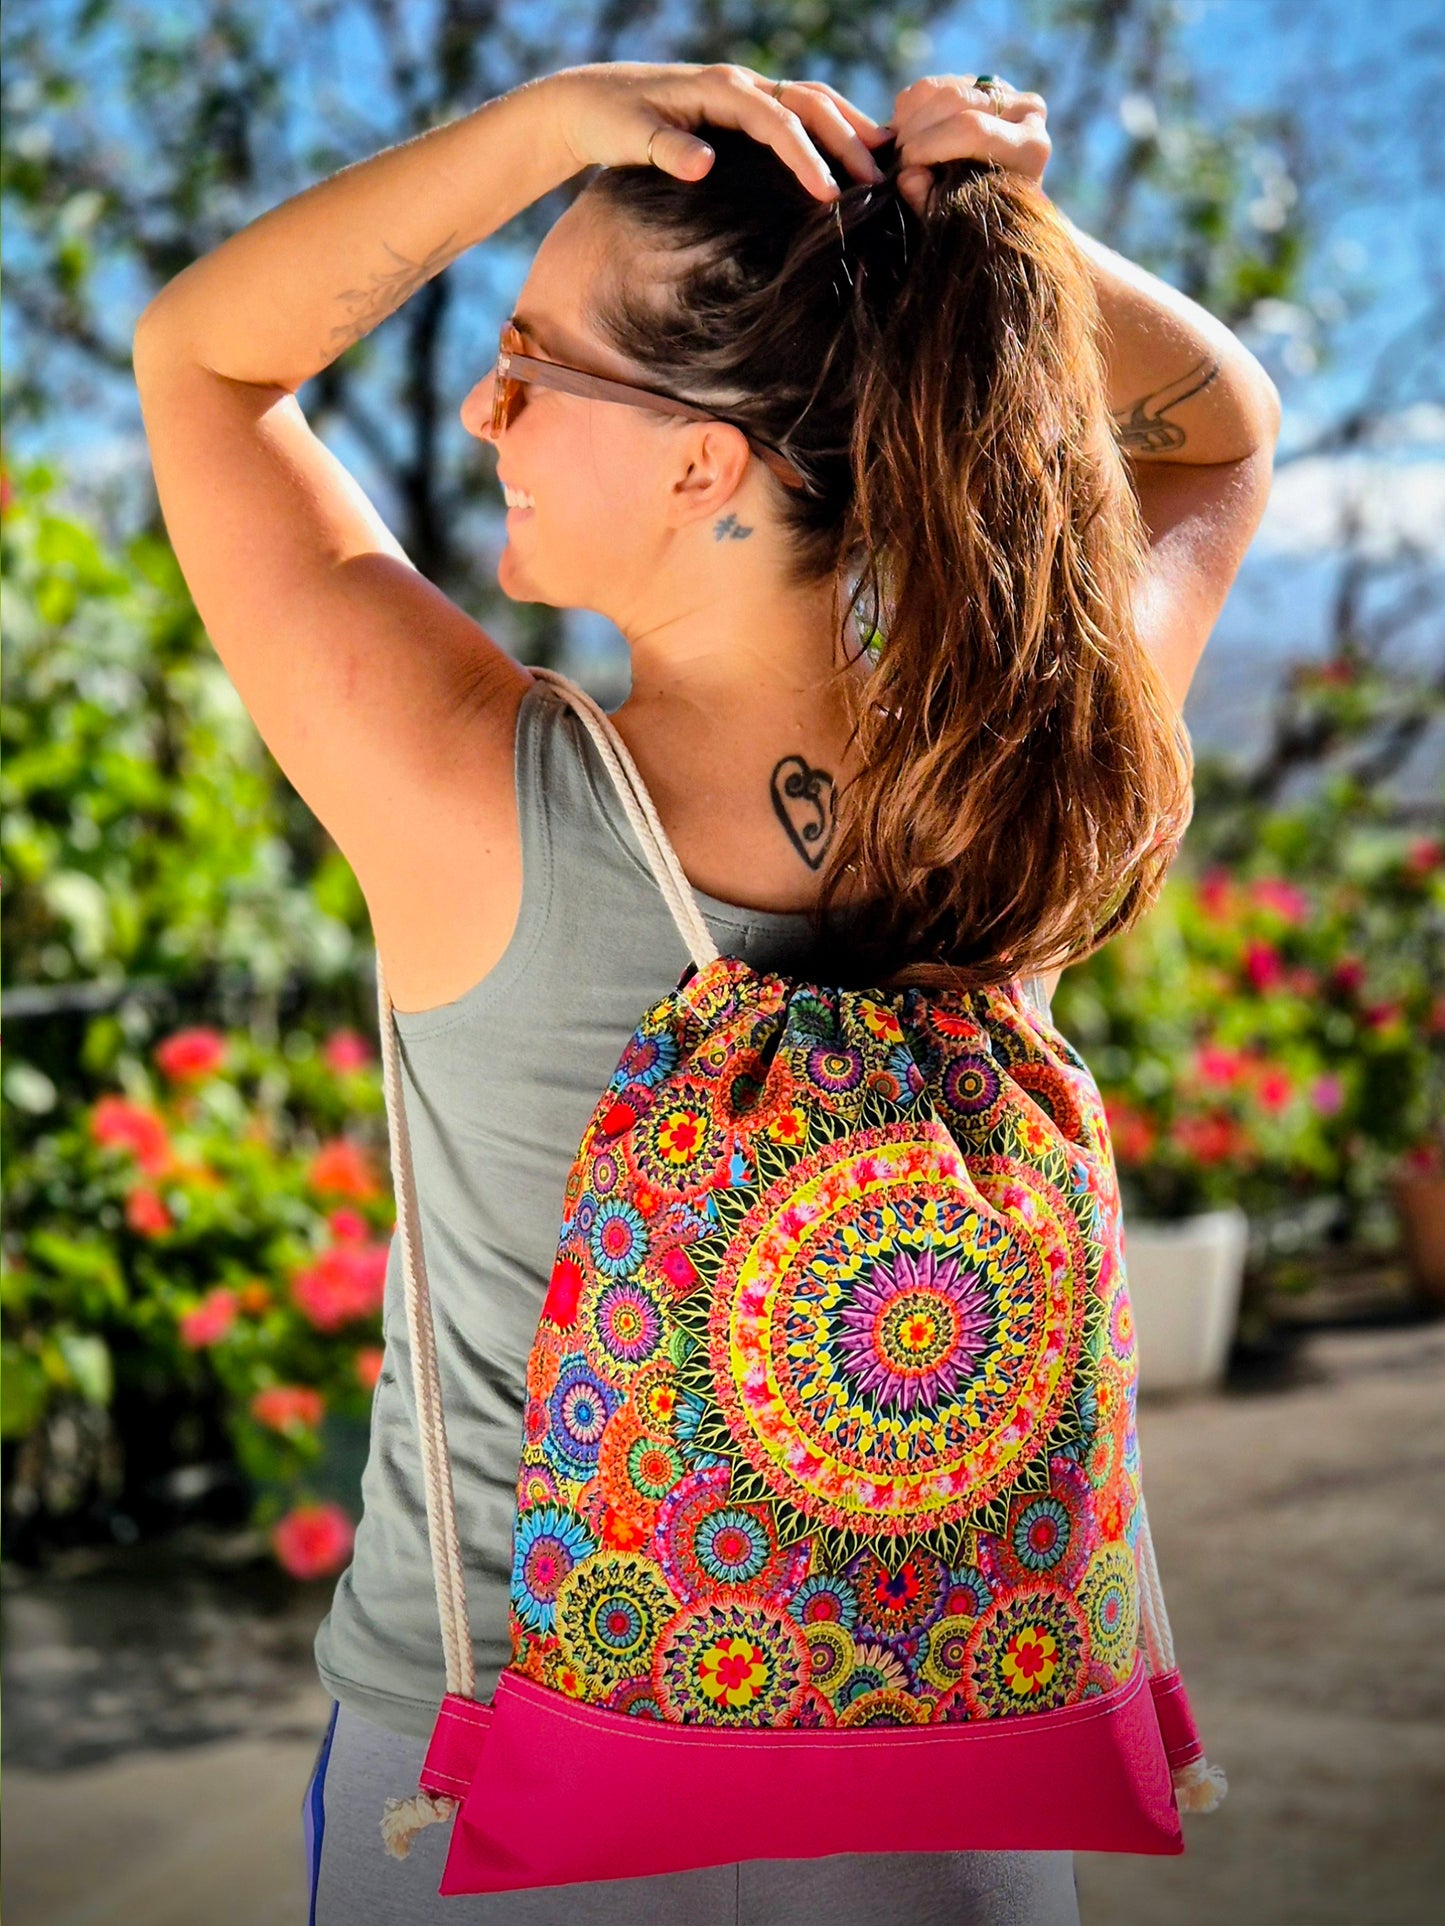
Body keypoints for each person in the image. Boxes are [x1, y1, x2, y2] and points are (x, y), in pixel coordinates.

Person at [134, 57, 1280, 1926]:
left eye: (534, 360)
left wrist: (546, 125)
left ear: (702, 462)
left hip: (499, 1790)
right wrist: (984, 231)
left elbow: (202, 362)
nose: (487, 402)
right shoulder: (1022, 797)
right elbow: (1220, 445)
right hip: (942, 1773)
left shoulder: (469, 798)